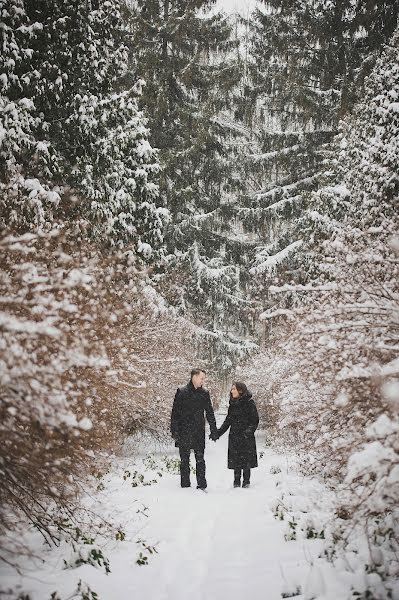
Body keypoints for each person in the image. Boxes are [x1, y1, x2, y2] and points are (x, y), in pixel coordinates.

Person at [170, 368, 218, 490]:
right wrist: (174, 431)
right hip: (184, 431)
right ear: (194, 377)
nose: (203, 381)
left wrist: (213, 429)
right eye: (202, 378)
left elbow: (210, 412)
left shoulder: (204, 393)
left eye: (204, 379)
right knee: (184, 459)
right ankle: (185, 485)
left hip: (198, 431)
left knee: (200, 458)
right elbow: (175, 413)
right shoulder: (182, 392)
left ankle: (201, 484)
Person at [215, 381, 259, 488]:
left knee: (246, 460)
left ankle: (246, 482)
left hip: (246, 437)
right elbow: (228, 421)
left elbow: (255, 421)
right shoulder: (233, 404)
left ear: (240, 390)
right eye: (232, 389)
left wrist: (248, 432)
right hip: (234, 436)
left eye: (234, 389)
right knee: (236, 460)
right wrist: (218, 433)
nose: (232, 391)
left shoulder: (249, 403)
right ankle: (236, 482)